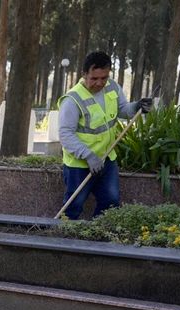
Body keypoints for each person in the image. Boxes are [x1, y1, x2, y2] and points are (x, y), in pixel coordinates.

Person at [58, 51, 152, 220]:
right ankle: (63, 238)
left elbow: (123, 110)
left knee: (111, 201)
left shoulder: (113, 87)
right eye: (94, 78)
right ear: (84, 74)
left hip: (107, 158)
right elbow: (65, 134)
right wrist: (88, 156)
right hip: (79, 164)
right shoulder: (72, 100)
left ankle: (96, 235)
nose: (100, 83)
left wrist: (137, 106)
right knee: (74, 205)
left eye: (104, 78)